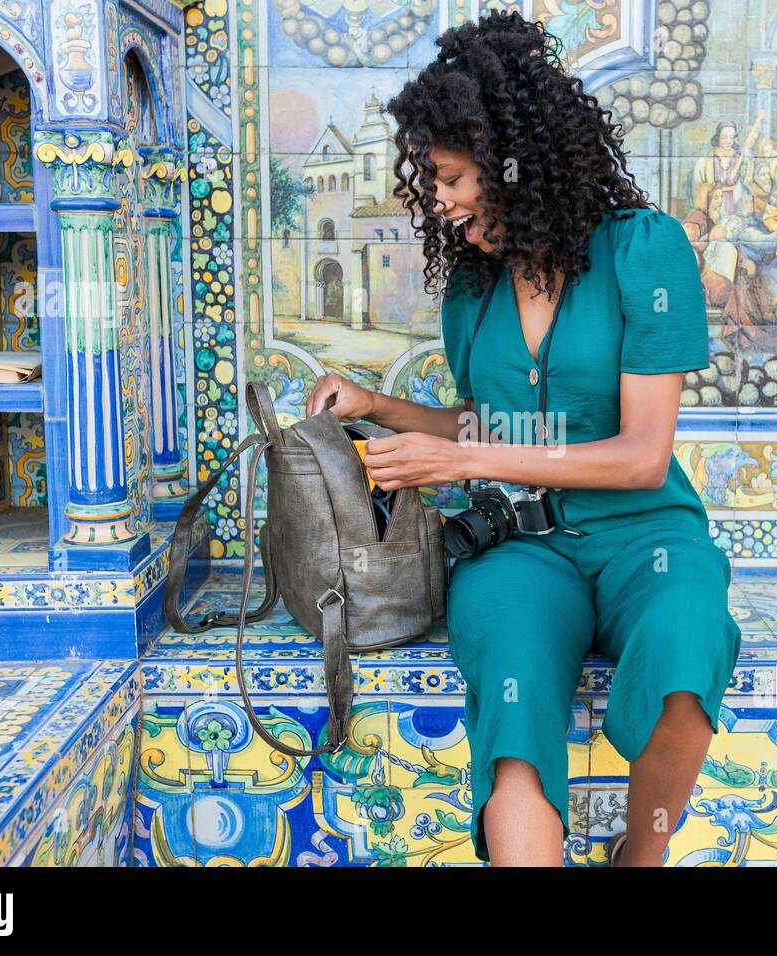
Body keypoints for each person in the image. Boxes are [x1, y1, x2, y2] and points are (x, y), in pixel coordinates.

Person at [305, 10, 741, 867]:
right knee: (513, 704)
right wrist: (381, 405)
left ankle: (636, 860)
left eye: (455, 177)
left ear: (516, 161)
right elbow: (490, 427)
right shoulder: (472, 285)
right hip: (517, 545)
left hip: (646, 534)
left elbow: (640, 454)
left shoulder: (643, 252)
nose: (441, 200)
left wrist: (460, 459)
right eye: (433, 181)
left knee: (686, 657)